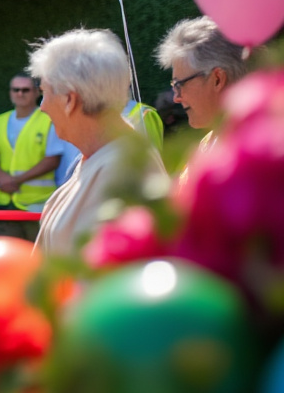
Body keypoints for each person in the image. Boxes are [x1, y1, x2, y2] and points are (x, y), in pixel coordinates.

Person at [30, 29, 167, 255]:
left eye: (44, 93)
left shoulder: (121, 171)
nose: (42, 106)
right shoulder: (102, 153)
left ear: (69, 100)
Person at [156, 16, 254, 159]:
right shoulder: (209, 142)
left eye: (179, 85)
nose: (176, 98)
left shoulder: (257, 147)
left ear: (217, 79)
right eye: (174, 86)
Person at [0, 74, 61, 241]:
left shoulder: (48, 120)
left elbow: (52, 159)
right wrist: (0, 176)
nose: (20, 93)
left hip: (36, 203)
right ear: (10, 93)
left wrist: (16, 180)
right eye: (16, 90)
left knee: (37, 255)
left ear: (36, 93)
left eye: (25, 90)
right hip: (5, 201)